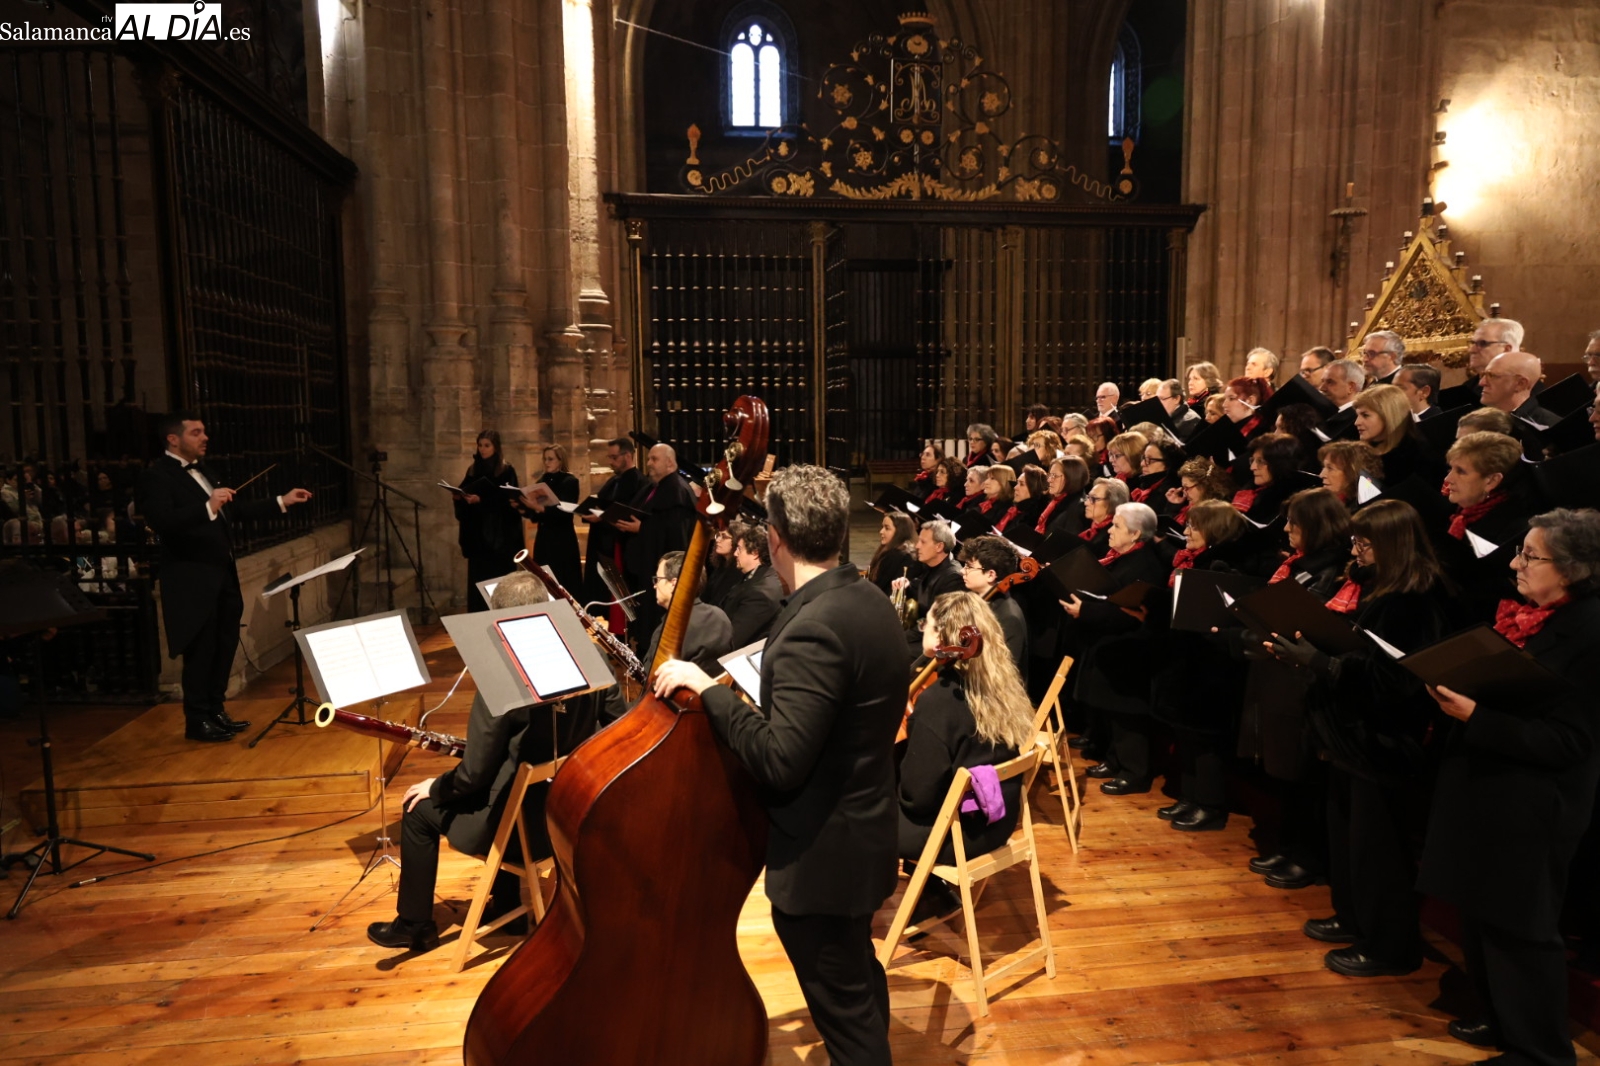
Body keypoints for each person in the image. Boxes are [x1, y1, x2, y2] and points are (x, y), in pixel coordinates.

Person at [653, 465, 908, 1066]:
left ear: (775, 538)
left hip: (825, 857)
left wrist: (709, 691)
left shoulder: (813, 628)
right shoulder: (868, 598)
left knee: (847, 1016)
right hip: (865, 832)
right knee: (856, 978)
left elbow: (779, 759)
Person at [1418, 509, 1600, 1065]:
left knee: (1521, 931)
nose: (1516, 563)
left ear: (1570, 568)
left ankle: (1540, 1053)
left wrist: (1476, 715)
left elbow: (1570, 741)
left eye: (1531, 555)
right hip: (1495, 793)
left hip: (1535, 808)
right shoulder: (1540, 616)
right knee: (1484, 918)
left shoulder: (1591, 632)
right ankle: (1502, 1022)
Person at [368, 571, 613, 951]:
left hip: (516, 830)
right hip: (565, 815)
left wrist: (435, 787)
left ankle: (414, 925)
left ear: (500, 620)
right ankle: (507, 904)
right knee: (509, 782)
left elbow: (474, 774)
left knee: (418, 810)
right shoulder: (591, 655)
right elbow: (614, 722)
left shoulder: (503, 677)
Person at [1269, 500, 1449, 979]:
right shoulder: (1376, 586)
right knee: (1347, 840)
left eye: (1364, 543)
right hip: (1349, 736)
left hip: (1382, 742)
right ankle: (1353, 919)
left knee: (1378, 850)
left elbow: (1397, 682)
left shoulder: (1414, 600)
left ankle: (1390, 946)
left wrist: (1324, 664)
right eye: (1354, 541)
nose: (1355, 550)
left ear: (1393, 544)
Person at [136, 412, 313, 741]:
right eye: (196, 432)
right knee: (201, 651)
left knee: (224, 644)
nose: (204, 437)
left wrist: (281, 501)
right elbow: (163, 522)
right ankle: (197, 719)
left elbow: (235, 510)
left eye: (204, 431)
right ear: (173, 439)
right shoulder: (156, 476)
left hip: (222, 575)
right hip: (192, 580)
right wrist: (207, 507)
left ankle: (216, 710)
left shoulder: (204, 470)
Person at [896, 590, 1035, 923]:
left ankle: (850, 913)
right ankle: (933, 895)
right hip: (997, 821)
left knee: (850, 814)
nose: (922, 629)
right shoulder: (1000, 687)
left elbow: (918, 799)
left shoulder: (939, 702)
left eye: (926, 624)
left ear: (941, 637)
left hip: (958, 836)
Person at [1439, 431, 1538, 624]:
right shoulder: (1463, 513)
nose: (1448, 478)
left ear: (1492, 480)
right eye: (1451, 468)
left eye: (1461, 471)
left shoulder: (1517, 529)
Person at [618, 444, 698, 642]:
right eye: (648, 459)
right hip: (645, 566)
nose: (648, 463)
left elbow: (675, 534)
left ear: (669, 462)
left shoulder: (676, 490)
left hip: (662, 571)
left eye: (654, 459)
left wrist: (642, 529)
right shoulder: (656, 486)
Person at [454, 430, 525, 613]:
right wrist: (459, 497)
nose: (482, 449)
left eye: (487, 445)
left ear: (496, 447)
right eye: (480, 445)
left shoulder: (506, 470)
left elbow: (510, 501)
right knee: (479, 583)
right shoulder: (473, 470)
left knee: (500, 584)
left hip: (500, 539)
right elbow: (464, 491)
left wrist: (482, 500)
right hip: (478, 539)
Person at [580, 437, 646, 630]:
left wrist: (602, 517)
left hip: (619, 545)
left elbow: (627, 512)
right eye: (609, 457)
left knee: (617, 596)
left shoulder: (638, 481)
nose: (610, 461)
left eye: (614, 457)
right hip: (602, 543)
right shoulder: (614, 480)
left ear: (628, 455)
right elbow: (603, 503)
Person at [514, 444, 582, 597]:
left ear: (560, 460)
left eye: (550, 459)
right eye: (545, 459)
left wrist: (538, 507)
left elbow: (565, 512)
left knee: (564, 582)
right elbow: (537, 516)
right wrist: (523, 508)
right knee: (544, 580)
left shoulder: (570, 482)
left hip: (562, 540)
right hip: (544, 539)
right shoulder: (543, 481)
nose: (546, 462)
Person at [955, 535, 1027, 671]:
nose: (962, 571)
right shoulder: (976, 600)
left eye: (969, 566)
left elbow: (1001, 673)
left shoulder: (1009, 617)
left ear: (990, 575)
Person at [1352, 384, 1439, 487]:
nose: (1357, 422)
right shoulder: (1364, 449)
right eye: (1358, 415)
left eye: (1365, 415)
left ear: (1388, 415)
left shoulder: (1416, 457)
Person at [893, 520, 964, 636]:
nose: (917, 546)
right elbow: (923, 593)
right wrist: (907, 586)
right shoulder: (930, 566)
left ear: (939, 546)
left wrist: (900, 637)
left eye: (923, 542)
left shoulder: (953, 577)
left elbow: (938, 623)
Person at [720, 520, 784, 647]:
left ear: (755, 553)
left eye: (739, 549)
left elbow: (733, 639)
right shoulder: (754, 577)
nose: (735, 554)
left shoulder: (761, 593)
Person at [1480, 350, 1559, 430]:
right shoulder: (1477, 419)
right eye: (1483, 375)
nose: (1481, 383)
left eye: (1492, 376)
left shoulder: (1551, 429)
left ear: (1521, 384)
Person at [1317, 440, 1383, 509]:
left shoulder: (1371, 509)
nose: (1321, 475)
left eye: (1330, 468)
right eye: (1323, 467)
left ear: (1352, 472)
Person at [1035, 456, 1091, 537]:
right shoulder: (1057, 500)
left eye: (1055, 476)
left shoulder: (1078, 508)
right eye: (1050, 475)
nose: (1049, 480)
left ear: (1071, 478)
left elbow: (1067, 541)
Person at [867, 511, 919, 596]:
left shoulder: (901, 556)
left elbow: (880, 587)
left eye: (887, 528)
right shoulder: (891, 552)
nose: (881, 531)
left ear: (900, 531)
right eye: (882, 527)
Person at [1318, 359, 1366, 438]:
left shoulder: (1358, 420)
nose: (1321, 388)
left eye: (1330, 382)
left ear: (1350, 387)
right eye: (1322, 381)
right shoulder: (1320, 412)